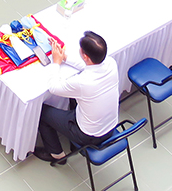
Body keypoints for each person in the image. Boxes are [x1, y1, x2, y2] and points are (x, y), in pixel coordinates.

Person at [33, 31, 119, 164]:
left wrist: (56, 62)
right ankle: (71, 143)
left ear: (85, 56)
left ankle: (57, 155)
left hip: (90, 135)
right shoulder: (111, 63)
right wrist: (64, 57)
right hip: (110, 126)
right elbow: (88, 66)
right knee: (74, 98)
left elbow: (53, 88)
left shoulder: (83, 82)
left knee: (42, 112)